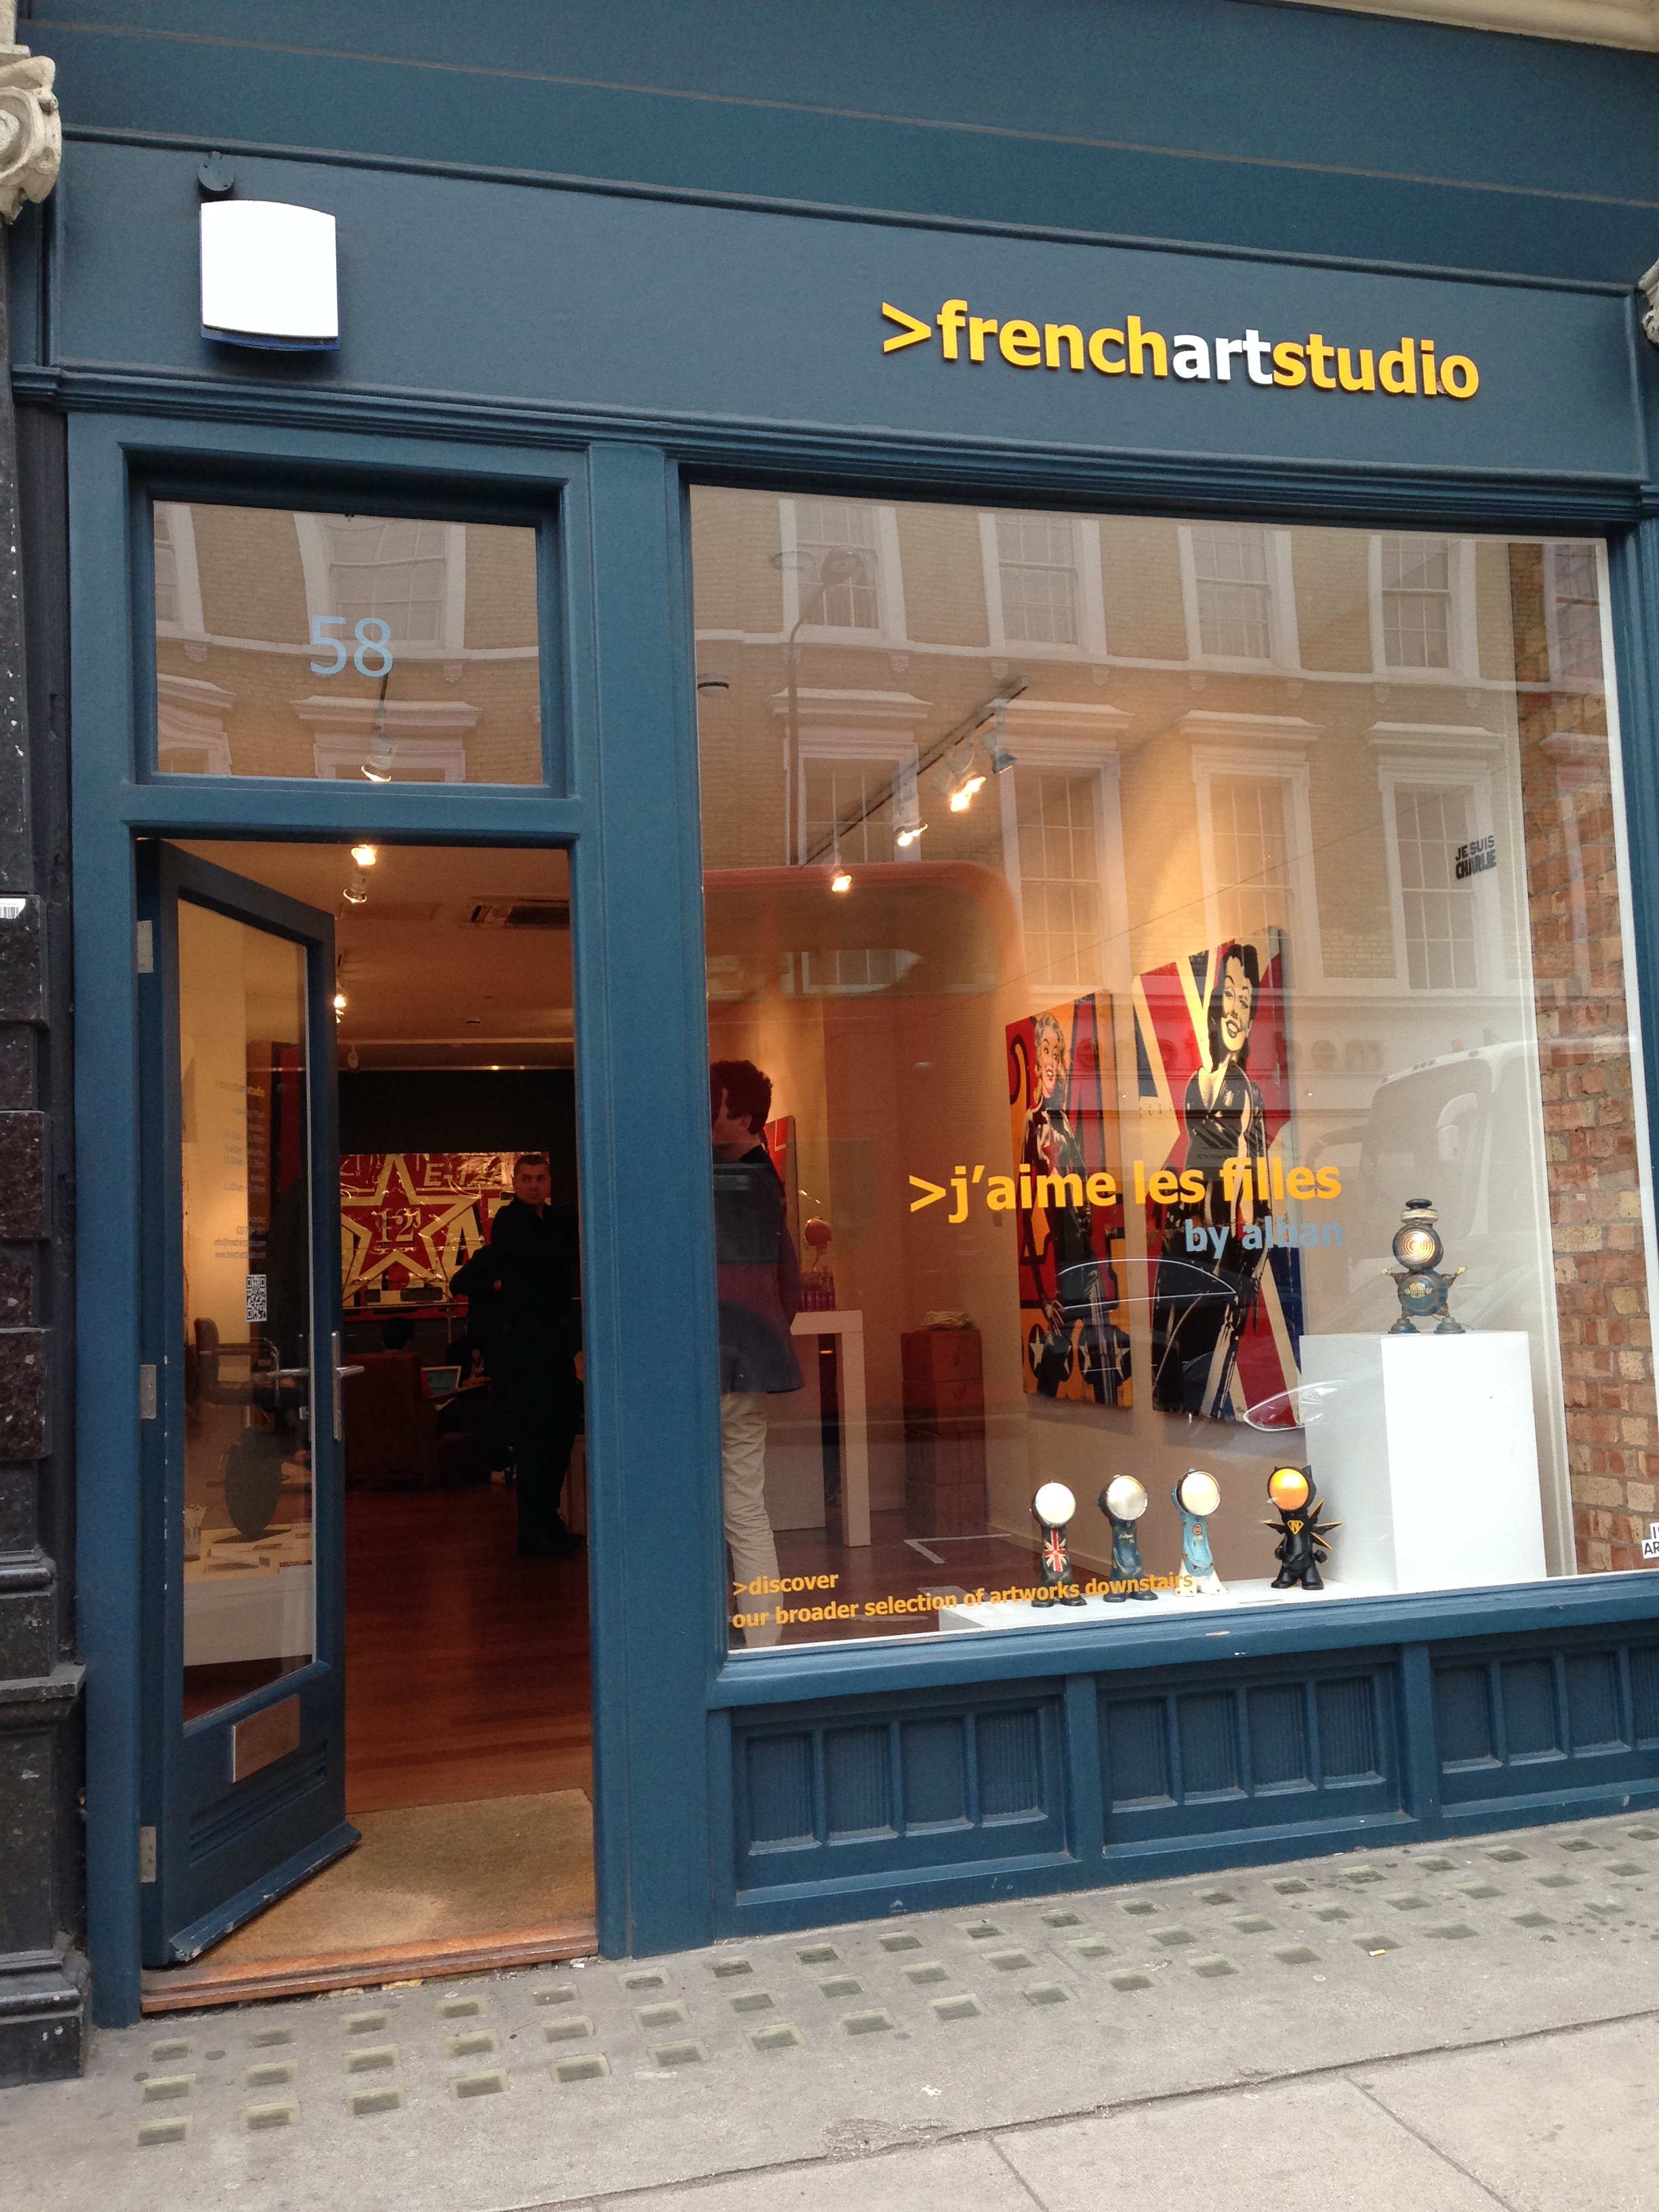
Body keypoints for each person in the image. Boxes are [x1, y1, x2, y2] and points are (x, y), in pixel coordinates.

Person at [1149, 941, 1269, 1416]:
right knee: (1165, 1349)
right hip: (1182, 1234)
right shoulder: (1194, 1082)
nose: (1238, 1009)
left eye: (1247, 1000)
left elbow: (1255, 1182)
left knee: (1198, 1351)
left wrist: (1247, 1260)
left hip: (1218, 1244)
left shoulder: (1248, 1093)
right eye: (1231, 994)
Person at [711, 1059, 802, 1647]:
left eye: (713, 1106)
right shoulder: (767, 1182)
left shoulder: (727, 1183)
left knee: (722, 1510)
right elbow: (787, 1286)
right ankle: (763, 1643)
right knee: (744, 1507)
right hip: (746, 1364)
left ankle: (739, 1638)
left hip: (713, 1364)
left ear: (742, 1118)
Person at [452, 1153, 582, 1557]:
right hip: (526, 1341)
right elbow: (553, 1256)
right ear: (515, 1182)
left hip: (555, 1338)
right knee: (537, 1433)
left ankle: (549, 1520)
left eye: (540, 1178)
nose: (533, 1185)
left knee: (562, 1429)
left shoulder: (555, 1220)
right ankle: (533, 1529)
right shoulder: (509, 1221)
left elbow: (569, 1252)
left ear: (549, 1182)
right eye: (526, 1179)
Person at [1017, 1009, 1130, 1405]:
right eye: (1046, 1051)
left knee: (1103, 1364)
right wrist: (1043, 1294)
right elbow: (1024, 1215)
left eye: (1058, 1053)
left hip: (1090, 1264)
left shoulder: (1064, 1120)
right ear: (1036, 1062)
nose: (1053, 1062)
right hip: (1065, 1271)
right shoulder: (1034, 1124)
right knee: (1055, 1356)